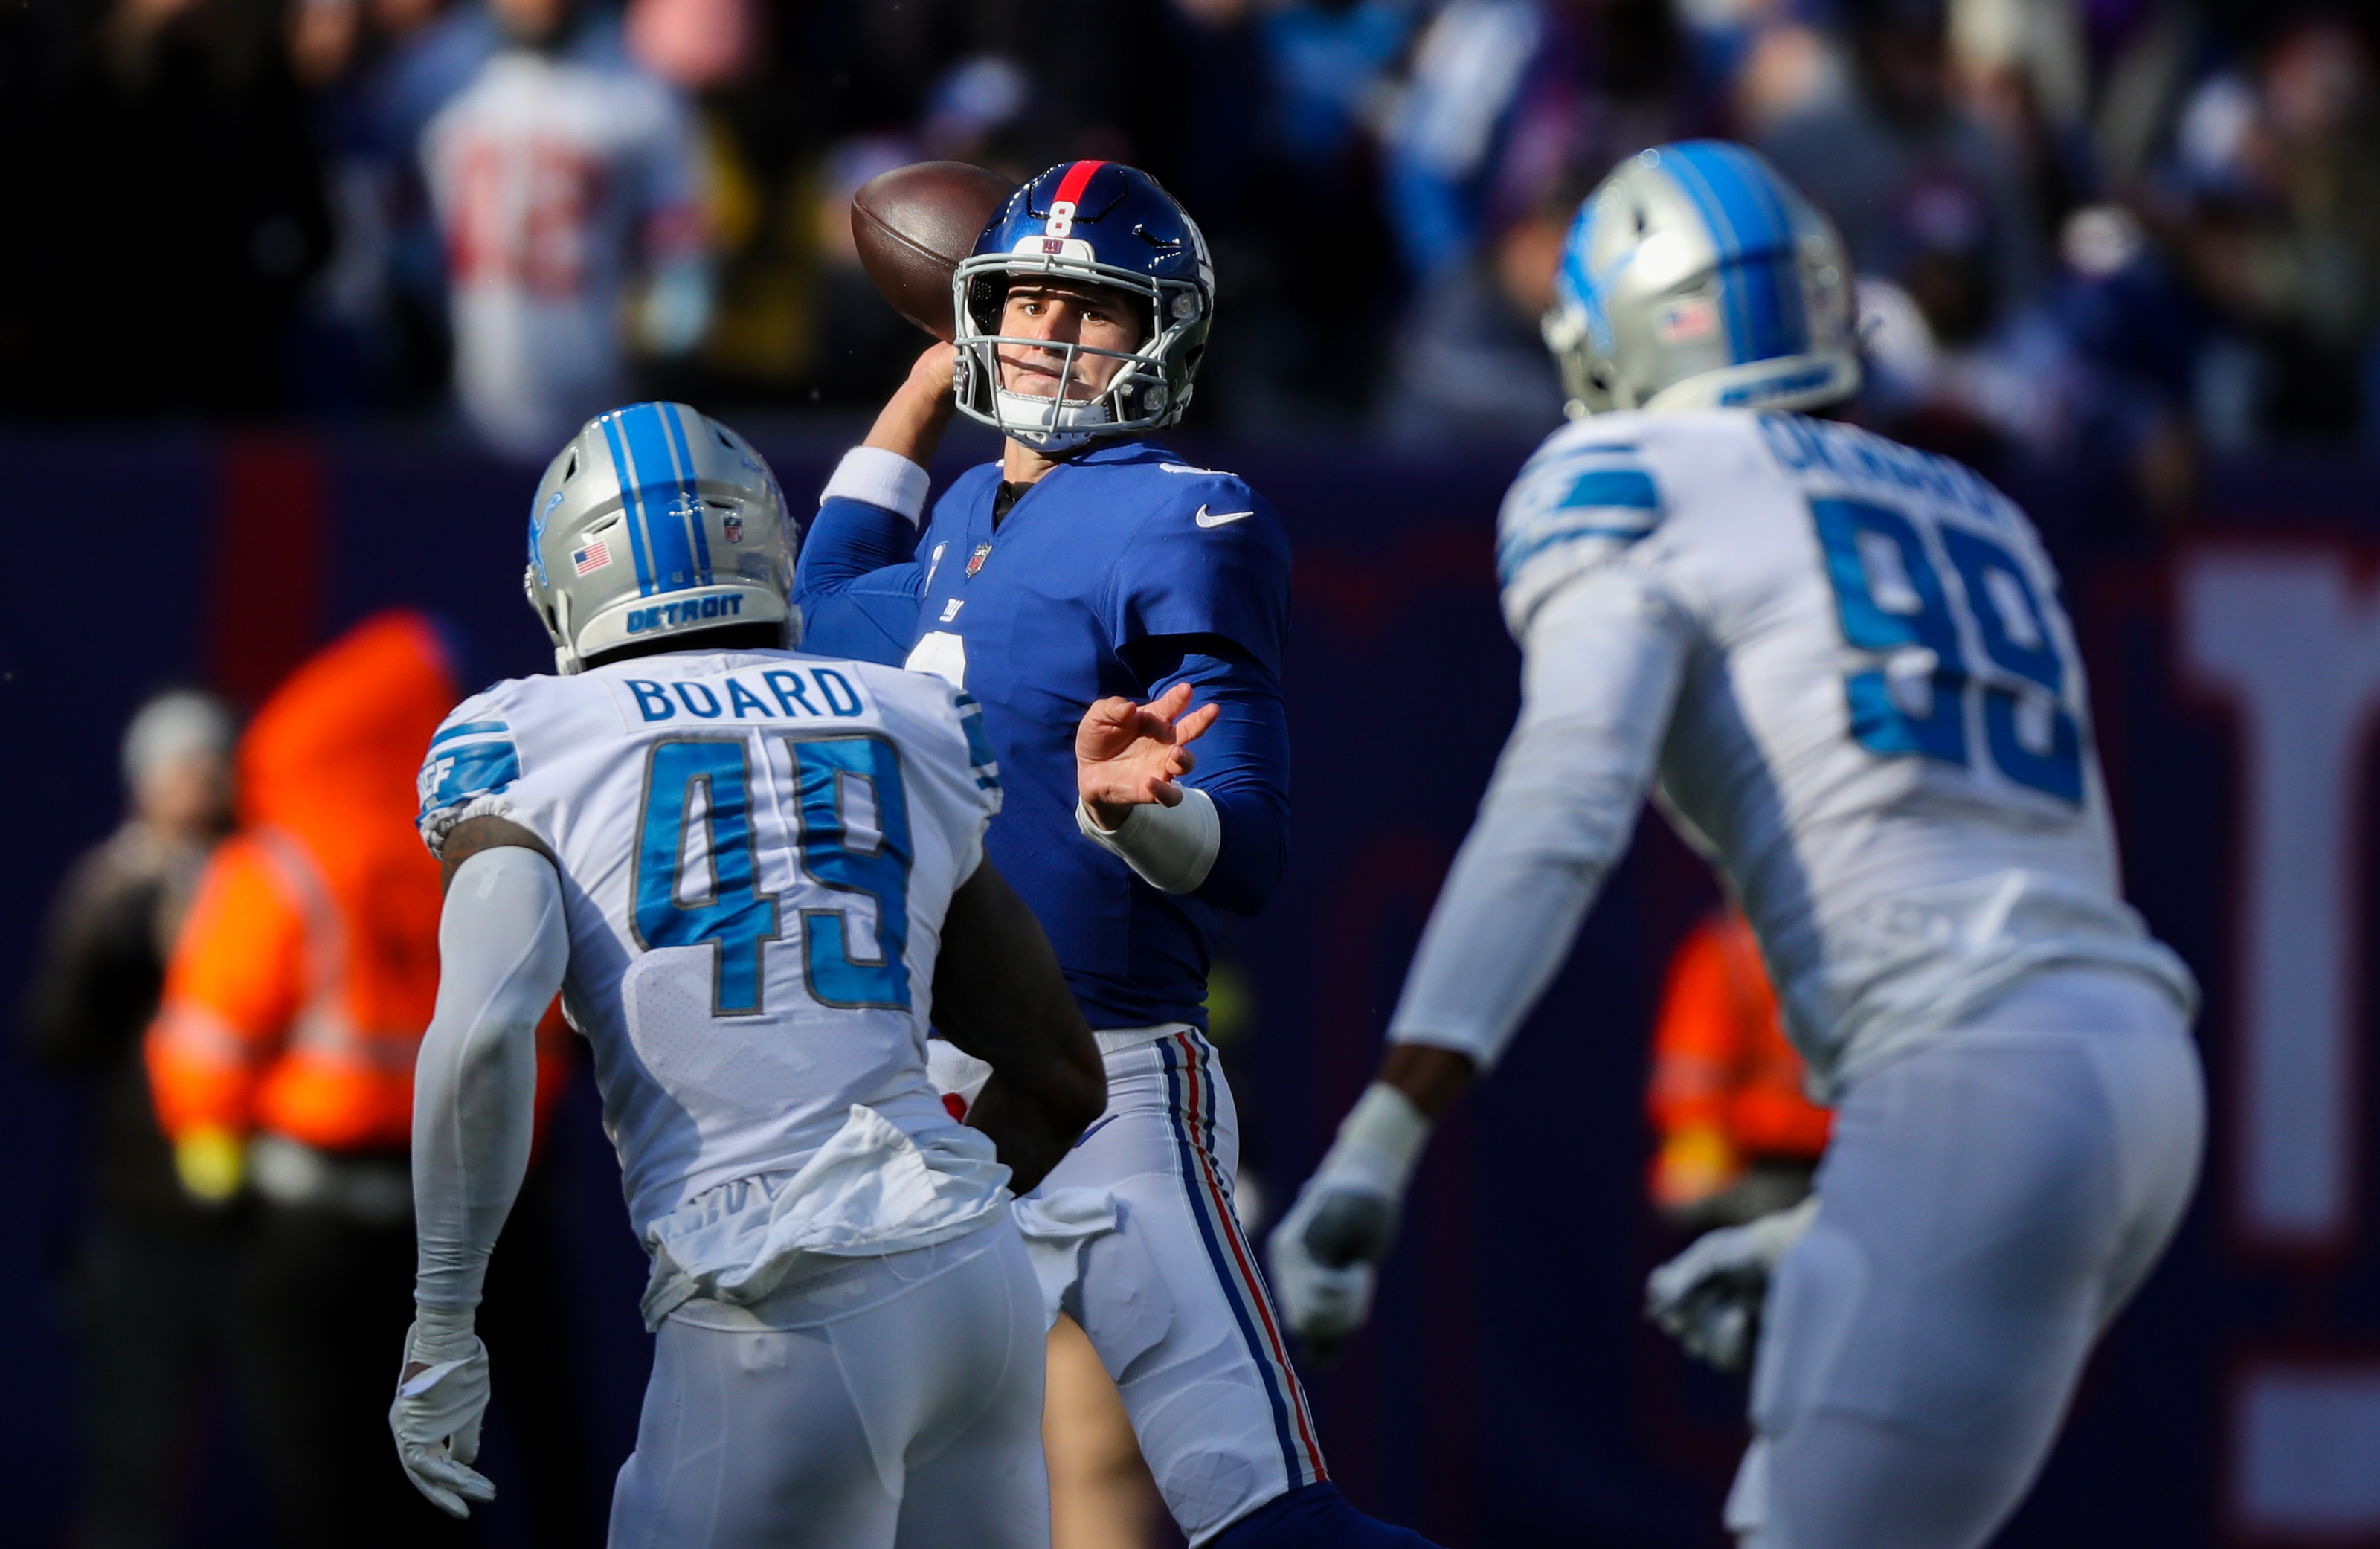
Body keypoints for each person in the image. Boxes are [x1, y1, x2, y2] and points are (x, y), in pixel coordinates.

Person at [1269, 140, 2204, 1549]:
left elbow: (1560, 808)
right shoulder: (1982, 512)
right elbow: (1998, 894)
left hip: (1969, 1086)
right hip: (2133, 1069)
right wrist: (1852, 1211)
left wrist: (1380, 1138)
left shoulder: (1628, 472)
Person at [795, 161, 1435, 1548]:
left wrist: (1133, 807)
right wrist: (921, 382)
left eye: (1086, 310)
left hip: (1107, 1087)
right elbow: (830, 604)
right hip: (931, 1103)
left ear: (1159, 339)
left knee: (1260, 1518)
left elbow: (1250, 847)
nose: (1044, 335)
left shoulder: (1183, 512)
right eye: (1021, 299)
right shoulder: (965, 510)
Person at [391, 400, 1110, 1546]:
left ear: (567, 588)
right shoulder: (903, 713)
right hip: (973, 1288)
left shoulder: (532, 738)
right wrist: (918, 1230)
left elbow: (482, 1036)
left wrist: (443, 1314)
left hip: (777, 1294)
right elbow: (1066, 1075)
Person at [144, 612, 558, 1547]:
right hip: (468, 1220)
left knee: (329, 1489)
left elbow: (204, 1045)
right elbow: (537, 1036)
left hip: (307, 1229)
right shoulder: (484, 856)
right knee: (449, 1487)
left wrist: (216, 1173)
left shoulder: (278, 859)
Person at [24, 689, 237, 1549]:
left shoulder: (267, 878)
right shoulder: (107, 883)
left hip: (265, 1223)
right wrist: (111, 935)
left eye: (216, 758)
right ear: (144, 780)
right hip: (143, 1221)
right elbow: (54, 1038)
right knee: (131, 1458)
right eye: (185, 762)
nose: (206, 777)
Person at [420, 0, 710, 455]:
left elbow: (682, 277)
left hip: (597, 406)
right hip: (462, 407)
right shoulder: (434, 77)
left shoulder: (640, 91)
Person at [1645, 905, 1830, 1230]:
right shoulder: (1729, 954)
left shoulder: (1881, 950)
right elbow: (1692, 1093)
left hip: (1851, 1159)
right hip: (1759, 1167)